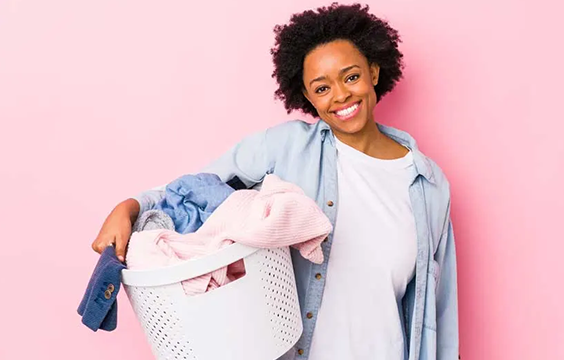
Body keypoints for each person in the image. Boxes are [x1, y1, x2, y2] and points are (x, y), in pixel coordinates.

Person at [91, 3, 459, 360]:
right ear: (307, 97)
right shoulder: (283, 148)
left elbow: (438, 308)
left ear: (373, 72)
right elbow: (190, 192)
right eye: (321, 87)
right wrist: (129, 207)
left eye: (351, 76)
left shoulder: (428, 183)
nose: (341, 95)